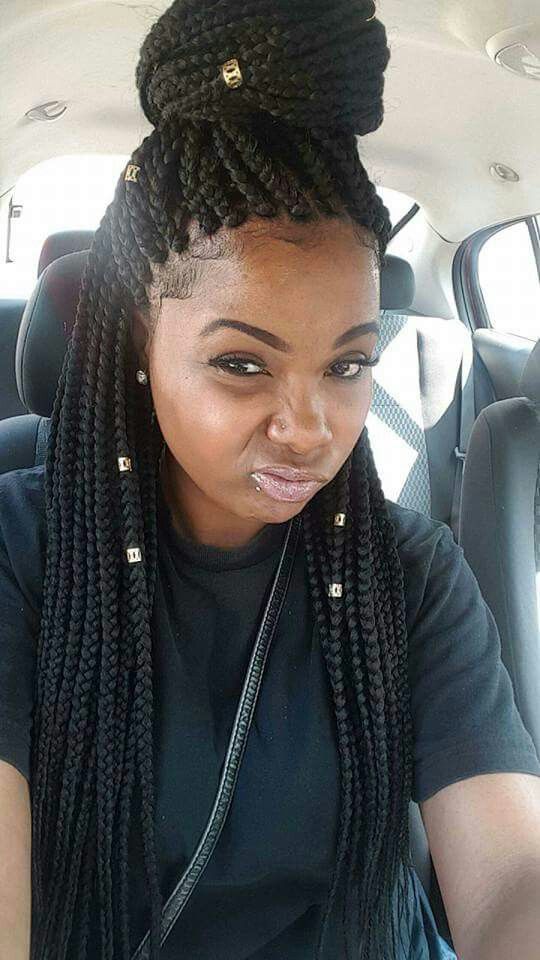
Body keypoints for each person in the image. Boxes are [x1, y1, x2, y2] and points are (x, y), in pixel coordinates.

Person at [1, 1, 540, 958]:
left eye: (348, 365)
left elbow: (510, 875)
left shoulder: (409, 571)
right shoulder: (20, 547)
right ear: (141, 344)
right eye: (242, 364)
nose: (308, 429)